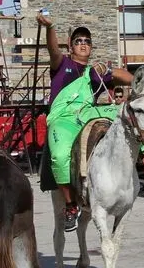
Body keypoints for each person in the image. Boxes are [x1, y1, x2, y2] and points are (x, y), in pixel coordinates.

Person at [38, 13, 134, 232]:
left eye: (87, 41)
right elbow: (53, 50)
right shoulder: (62, 64)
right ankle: (71, 206)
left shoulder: (94, 74)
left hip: (87, 115)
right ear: (71, 46)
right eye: (78, 41)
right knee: (59, 155)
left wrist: (108, 70)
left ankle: (141, 168)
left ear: (91, 48)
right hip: (63, 119)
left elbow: (128, 78)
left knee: (125, 115)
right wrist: (50, 27)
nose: (83, 44)